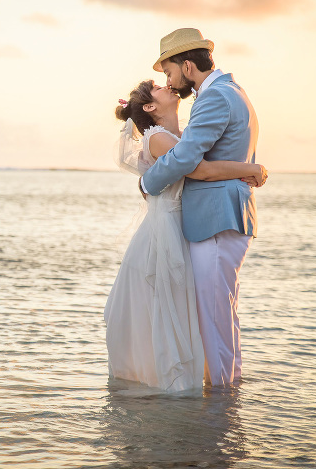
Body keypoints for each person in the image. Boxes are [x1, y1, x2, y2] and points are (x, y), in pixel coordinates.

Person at [105, 78, 266, 393]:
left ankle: (200, 383)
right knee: (172, 307)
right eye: (158, 88)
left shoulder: (176, 136)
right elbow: (201, 170)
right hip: (166, 230)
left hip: (180, 225)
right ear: (151, 108)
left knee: (185, 307)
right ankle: (182, 384)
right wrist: (251, 169)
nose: (167, 86)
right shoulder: (158, 138)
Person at [139, 28, 260, 387]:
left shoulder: (216, 98)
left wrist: (147, 182)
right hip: (224, 216)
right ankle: (227, 396)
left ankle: (221, 404)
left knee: (213, 315)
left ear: (188, 65)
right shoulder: (231, 92)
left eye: (170, 71)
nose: (169, 80)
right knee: (222, 312)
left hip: (216, 220)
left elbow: (187, 157)